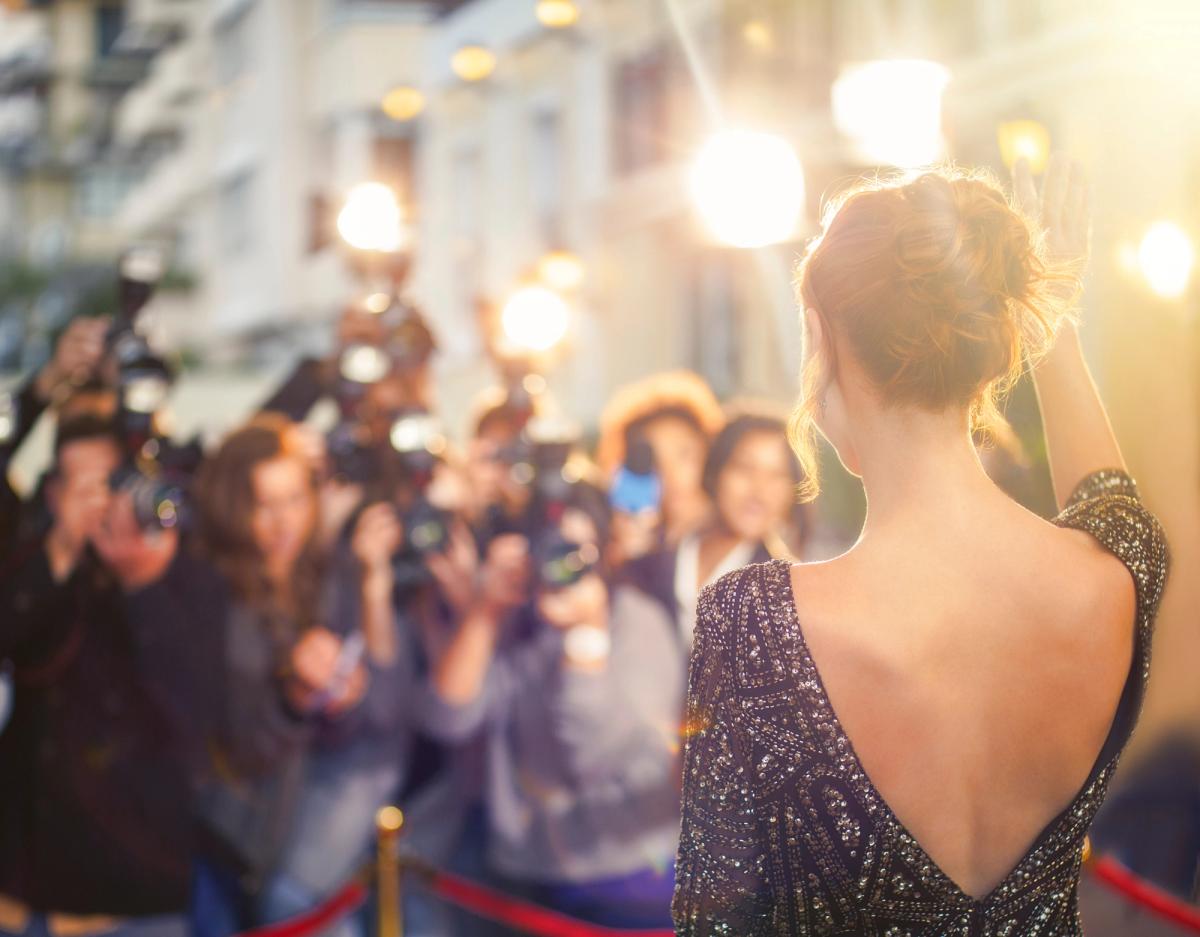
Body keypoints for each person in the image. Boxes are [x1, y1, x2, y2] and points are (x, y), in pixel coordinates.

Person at [672, 157, 1170, 935]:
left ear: (821, 339)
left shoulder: (752, 623)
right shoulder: (1113, 580)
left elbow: (713, 922)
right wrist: (1055, 321)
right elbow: (1111, 502)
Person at [96, 415, 406, 937]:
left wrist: (340, 697)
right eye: (263, 504)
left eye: (294, 499)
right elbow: (222, 740)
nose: (283, 521)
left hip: (285, 838)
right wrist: (294, 699)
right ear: (231, 505)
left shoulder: (325, 574)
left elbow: (368, 723)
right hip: (209, 839)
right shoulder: (203, 583)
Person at [424, 484, 684, 930]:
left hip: (625, 871)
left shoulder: (637, 622)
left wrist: (586, 639)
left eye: (576, 550)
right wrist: (484, 609)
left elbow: (594, 759)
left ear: (604, 554)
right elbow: (448, 720)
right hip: (528, 869)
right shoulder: (514, 620)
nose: (560, 562)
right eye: (549, 544)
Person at [0, 413, 190, 936]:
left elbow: (192, 702)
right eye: (76, 484)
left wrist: (141, 580)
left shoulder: (171, 562)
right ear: (53, 491)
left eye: (106, 483)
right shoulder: (33, 561)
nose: (93, 500)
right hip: (29, 877)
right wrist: (60, 550)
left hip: (135, 883)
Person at [621, 404, 804, 648]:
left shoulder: (788, 591)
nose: (759, 492)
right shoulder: (663, 556)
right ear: (717, 471)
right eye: (744, 468)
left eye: (777, 475)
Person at [596, 371, 725, 565]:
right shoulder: (628, 541)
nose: (670, 474)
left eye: (684, 454)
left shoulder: (738, 536)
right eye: (654, 460)